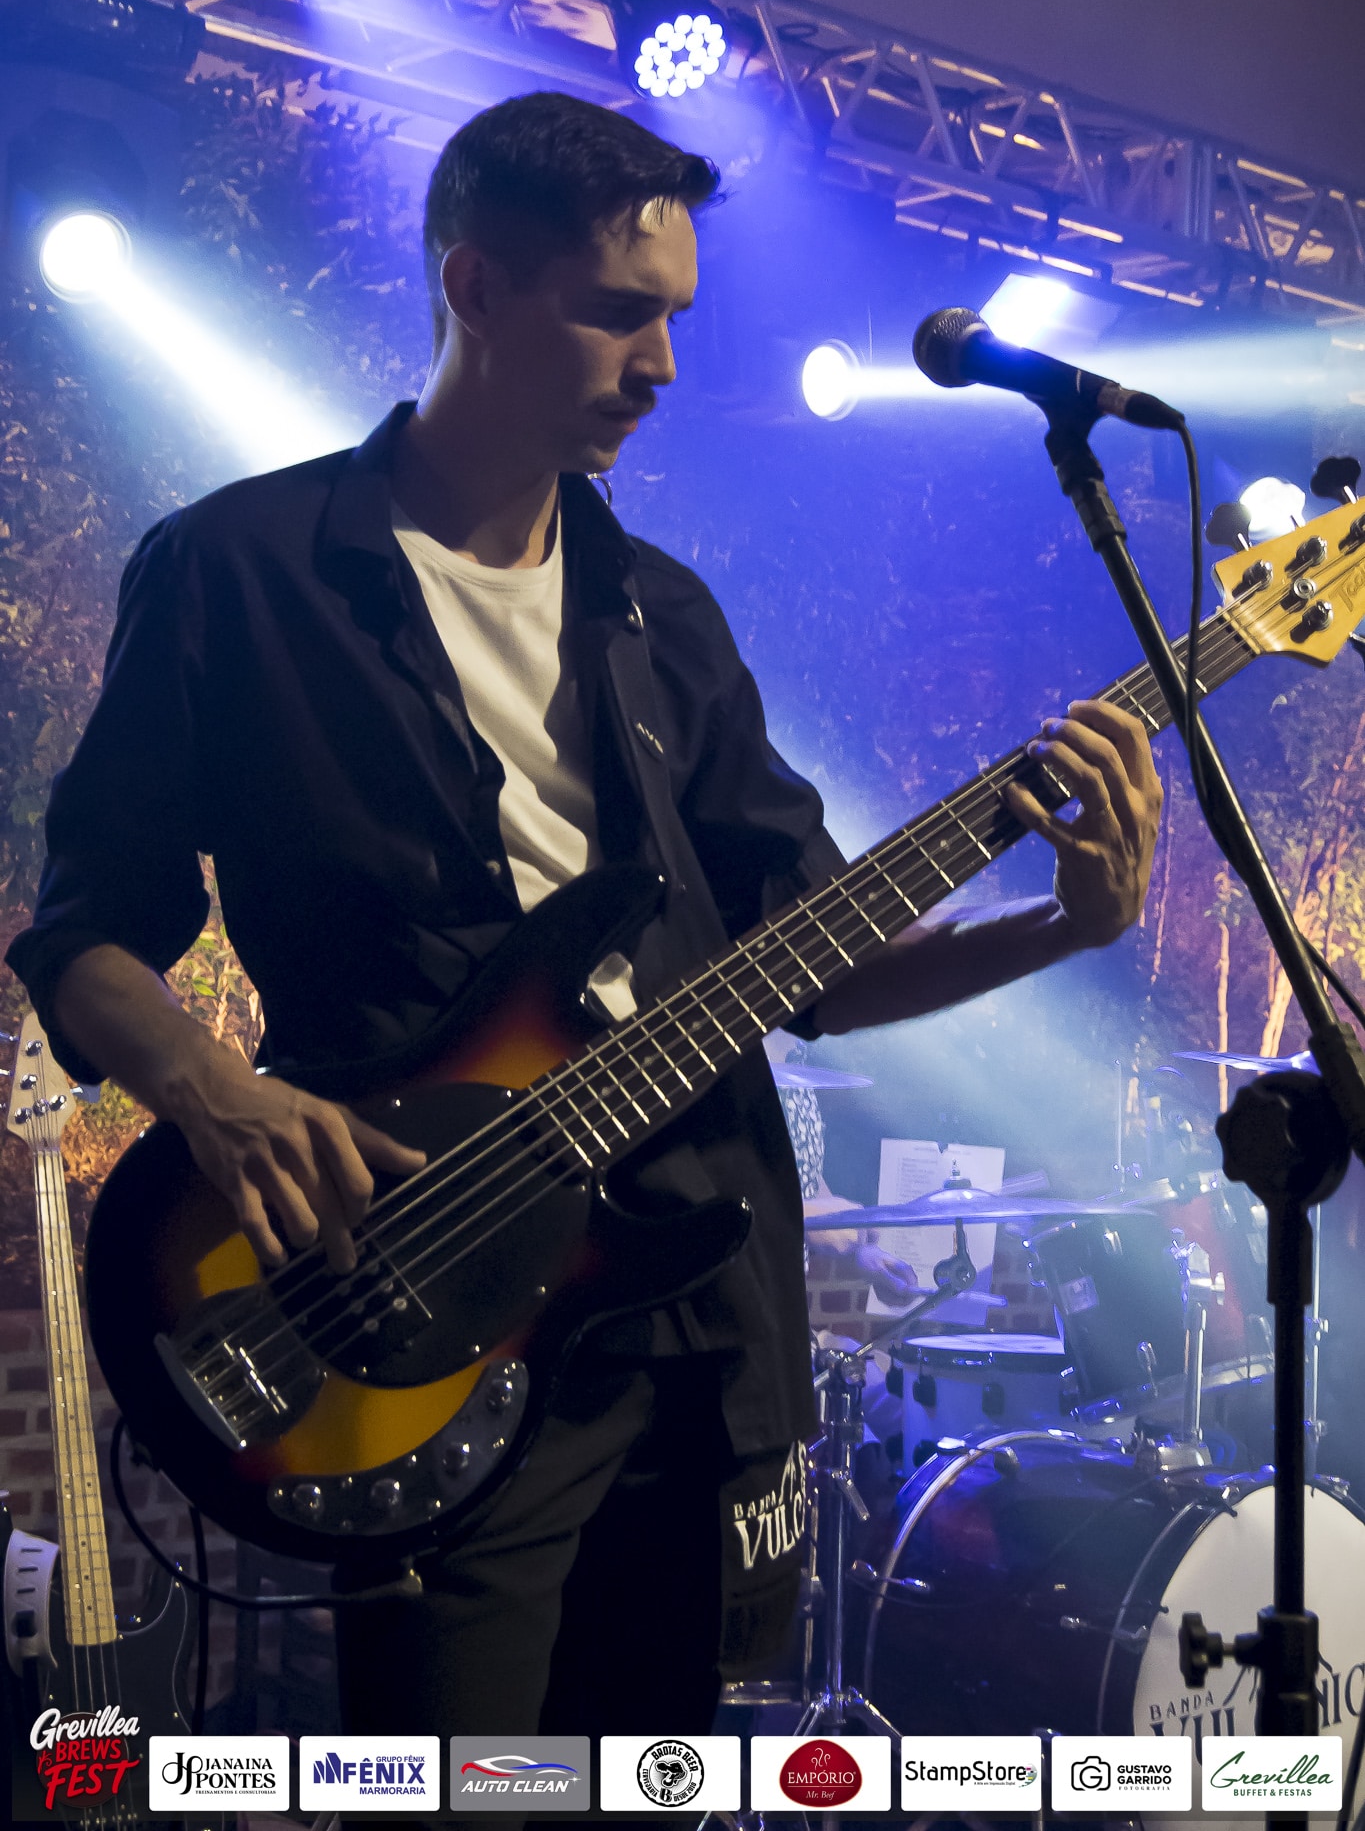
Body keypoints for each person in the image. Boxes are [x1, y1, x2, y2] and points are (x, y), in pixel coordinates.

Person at [7, 91, 1163, 1739]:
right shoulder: (237, 572)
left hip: (692, 1325)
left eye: (674, 315)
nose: (663, 363)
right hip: (415, 1319)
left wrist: (1064, 928)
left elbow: (811, 964)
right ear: (476, 289)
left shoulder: (661, 617)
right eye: (620, 312)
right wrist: (216, 1092)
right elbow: (79, 934)